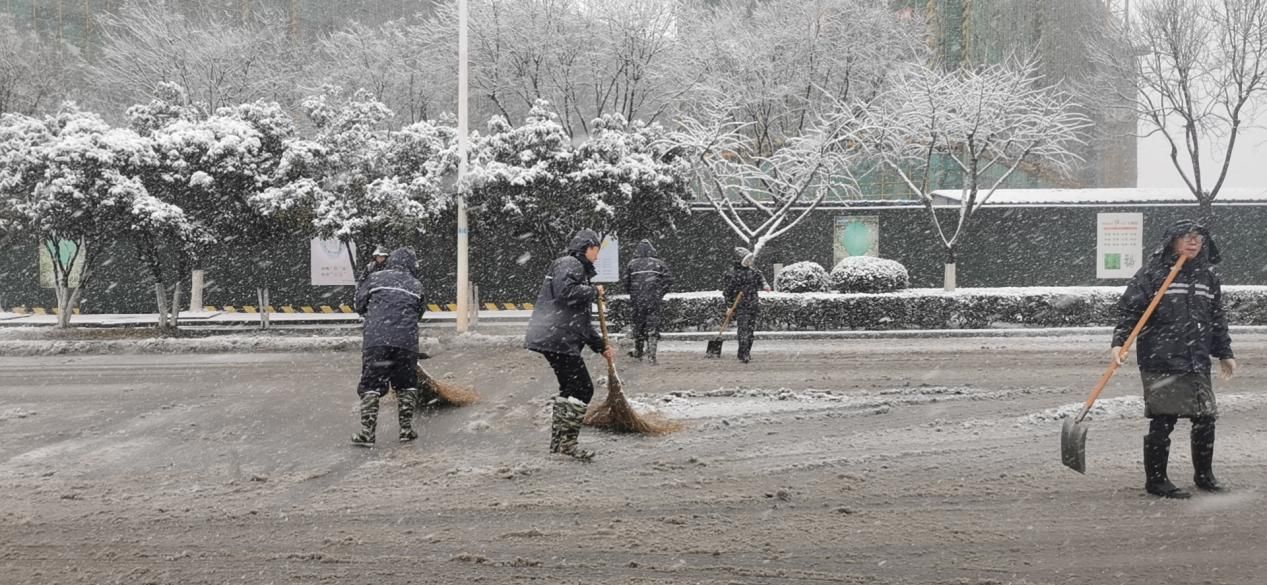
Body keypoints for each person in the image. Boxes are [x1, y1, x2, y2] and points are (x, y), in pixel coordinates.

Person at [1112, 220, 1236, 498]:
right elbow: (1130, 311)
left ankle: (1204, 475)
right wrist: (1119, 342)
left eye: (1198, 238)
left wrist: (1225, 353)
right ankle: (1156, 480)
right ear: (1172, 241)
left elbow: (1216, 318)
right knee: (1163, 419)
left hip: (1196, 359)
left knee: (1205, 418)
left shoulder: (1207, 278)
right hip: (1162, 359)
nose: (1194, 242)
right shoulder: (1152, 274)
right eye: (1187, 237)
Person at [524, 228, 615, 461]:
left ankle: (559, 443)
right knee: (584, 388)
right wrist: (593, 291)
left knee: (569, 389)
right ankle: (567, 444)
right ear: (588, 247)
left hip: (555, 336)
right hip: (558, 337)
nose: (597, 256)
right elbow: (565, 292)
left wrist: (601, 346)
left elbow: (580, 321)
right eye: (596, 250)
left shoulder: (575, 268)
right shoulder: (570, 263)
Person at [351, 247, 426, 447]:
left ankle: (367, 433)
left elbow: (359, 305)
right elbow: (420, 312)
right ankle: (406, 430)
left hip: (376, 340)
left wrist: (377, 315)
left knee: (371, 385)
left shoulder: (375, 278)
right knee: (406, 384)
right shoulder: (416, 284)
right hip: (406, 342)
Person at [622, 239, 673, 365]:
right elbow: (668, 280)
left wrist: (634, 294)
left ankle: (638, 353)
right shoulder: (659, 264)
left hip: (637, 302)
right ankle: (652, 357)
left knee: (638, 326)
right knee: (652, 328)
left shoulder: (631, 264)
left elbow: (625, 282)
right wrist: (659, 293)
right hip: (653, 301)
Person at [724, 247, 770, 364]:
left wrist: (765, 285)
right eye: (747, 259)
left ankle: (746, 352)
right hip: (741, 307)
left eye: (750, 259)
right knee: (743, 330)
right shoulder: (732, 274)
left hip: (753, 305)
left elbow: (761, 278)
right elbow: (727, 292)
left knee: (750, 331)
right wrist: (729, 306)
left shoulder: (753, 272)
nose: (750, 261)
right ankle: (743, 354)